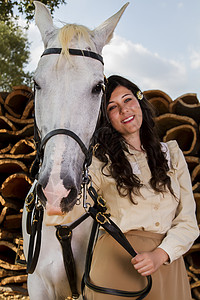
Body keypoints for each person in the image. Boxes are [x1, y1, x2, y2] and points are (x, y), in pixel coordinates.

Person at [84, 75, 199, 300]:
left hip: (167, 267)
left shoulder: (172, 155)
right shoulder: (99, 162)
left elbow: (188, 221)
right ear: (107, 119)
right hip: (116, 264)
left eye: (128, 100)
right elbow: (74, 201)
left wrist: (160, 254)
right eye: (112, 107)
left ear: (139, 101)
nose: (124, 110)